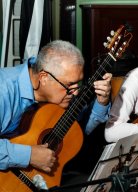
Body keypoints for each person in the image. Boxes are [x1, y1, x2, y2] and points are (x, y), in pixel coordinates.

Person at [0, 40, 112, 174]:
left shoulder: (61, 89)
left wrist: (102, 102)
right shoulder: (4, 91)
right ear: (44, 77)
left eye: (77, 84)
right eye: (69, 85)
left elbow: (77, 130)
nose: (75, 92)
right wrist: (29, 155)